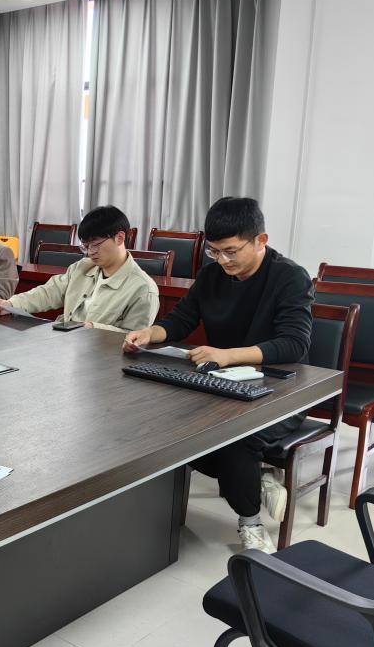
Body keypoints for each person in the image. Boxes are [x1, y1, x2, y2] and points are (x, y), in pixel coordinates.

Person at [123, 197, 314, 554]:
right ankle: (257, 478)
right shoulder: (212, 275)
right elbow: (181, 320)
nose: (222, 260)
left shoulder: (290, 277)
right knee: (170, 426)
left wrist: (227, 355)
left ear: (260, 240)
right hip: (223, 384)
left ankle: (250, 521)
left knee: (234, 438)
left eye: (231, 251)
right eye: (214, 251)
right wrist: (150, 333)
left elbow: (294, 344)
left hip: (280, 389)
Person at [0, 205, 158, 331]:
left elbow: (134, 339)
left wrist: (92, 328)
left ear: (120, 238)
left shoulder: (143, 288)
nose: (90, 252)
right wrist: (12, 304)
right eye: (86, 246)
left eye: (95, 245)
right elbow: (49, 292)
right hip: (66, 346)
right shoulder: (82, 267)